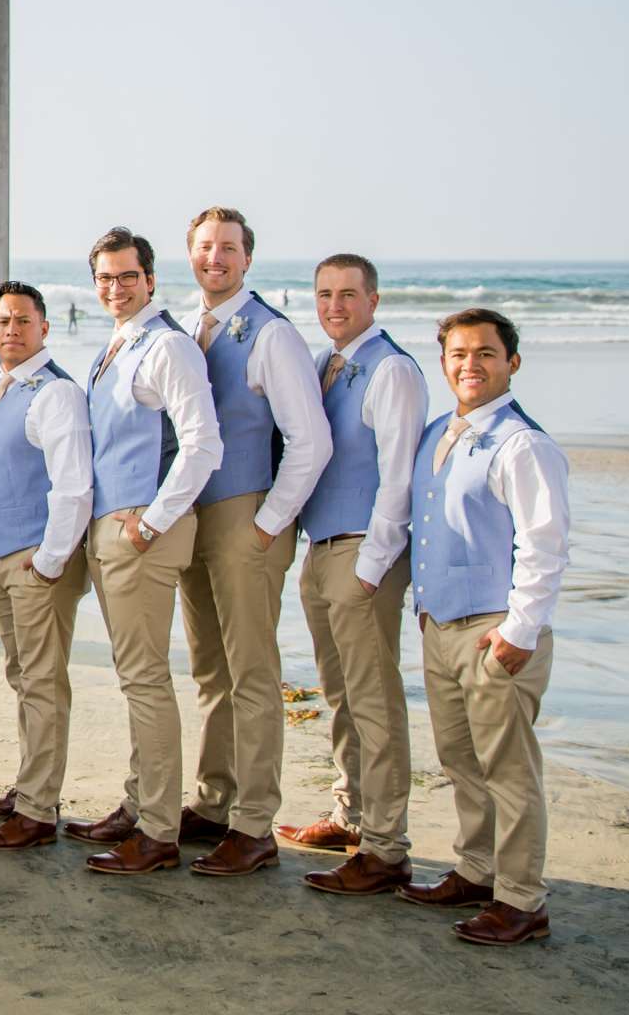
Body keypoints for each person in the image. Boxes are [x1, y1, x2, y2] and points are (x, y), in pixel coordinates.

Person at [361, 308, 571, 947]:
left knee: (509, 768)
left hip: (494, 632)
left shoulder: (523, 445)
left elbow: (545, 545)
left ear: (512, 361)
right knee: (461, 759)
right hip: (441, 625)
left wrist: (519, 631)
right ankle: (478, 871)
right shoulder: (434, 433)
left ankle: (521, 899)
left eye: (484, 353)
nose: (469, 365)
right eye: (457, 354)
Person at [175, 208, 333, 876]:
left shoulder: (271, 335)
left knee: (253, 671)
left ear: (248, 259)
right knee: (211, 669)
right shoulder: (184, 328)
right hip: (192, 514)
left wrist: (270, 522)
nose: (216, 258)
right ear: (191, 255)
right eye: (206, 247)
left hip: (247, 514)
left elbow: (311, 440)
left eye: (229, 249)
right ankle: (214, 800)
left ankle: (254, 822)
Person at [62, 227, 223, 876]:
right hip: (115, 528)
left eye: (127, 276)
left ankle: (159, 831)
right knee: (136, 678)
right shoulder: (119, 344)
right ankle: (140, 804)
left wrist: (150, 523)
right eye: (105, 277)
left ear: (151, 279)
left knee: (147, 680)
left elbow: (202, 444)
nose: (115, 287)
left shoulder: (169, 347)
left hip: (141, 532)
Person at [281, 254, 426, 895]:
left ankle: (388, 848)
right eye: (323, 295)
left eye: (347, 294)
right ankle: (352, 813)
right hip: (323, 548)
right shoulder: (325, 365)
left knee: (374, 700)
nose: (334, 306)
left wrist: (371, 567)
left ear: (374, 299)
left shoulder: (391, 370)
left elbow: (398, 477)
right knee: (339, 693)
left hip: (364, 553)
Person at [0, 281, 93, 853]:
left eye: (23, 320)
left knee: (42, 682)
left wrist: (49, 562)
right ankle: (29, 788)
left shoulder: (54, 393)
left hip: (37, 562)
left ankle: (38, 812)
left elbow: (74, 486)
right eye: (2, 321)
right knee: (22, 677)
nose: (11, 329)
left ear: (45, 327)